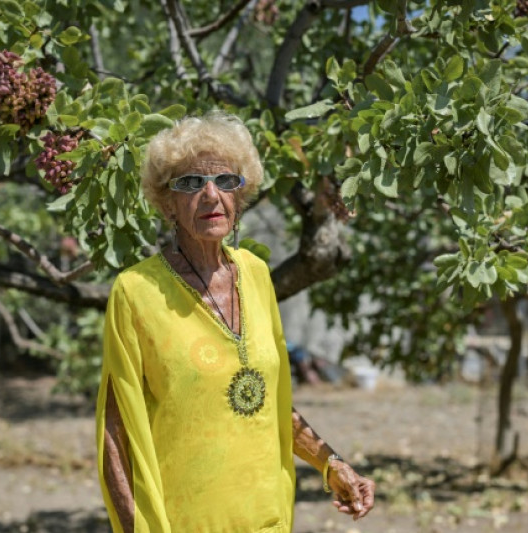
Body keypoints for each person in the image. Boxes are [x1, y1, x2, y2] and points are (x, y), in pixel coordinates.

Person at [96, 112, 375, 532]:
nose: (211, 195)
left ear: (240, 196)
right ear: (167, 201)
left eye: (226, 181)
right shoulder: (135, 291)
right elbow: (115, 437)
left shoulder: (257, 273)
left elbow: (270, 402)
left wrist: (330, 463)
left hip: (267, 517)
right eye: (190, 183)